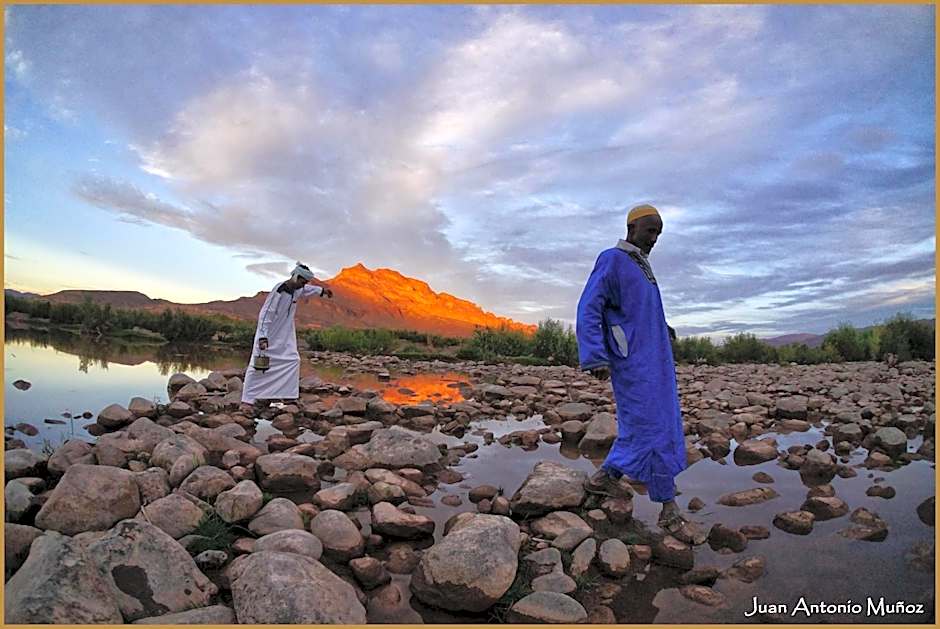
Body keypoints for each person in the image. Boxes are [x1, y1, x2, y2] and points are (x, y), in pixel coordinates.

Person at [576, 204, 699, 542]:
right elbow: (589, 306)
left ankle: (605, 477)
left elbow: (639, 312)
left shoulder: (642, 266)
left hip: (655, 359)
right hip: (632, 361)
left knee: (651, 422)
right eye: (650, 231)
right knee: (653, 425)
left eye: (659, 233)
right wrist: (595, 356)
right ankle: (668, 506)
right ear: (631, 228)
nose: (655, 238)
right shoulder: (612, 259)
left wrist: (664, 327)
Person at [241, 262, 333, 409]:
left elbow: (309, 290)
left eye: (305, 282)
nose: (304, 285)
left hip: (284, 334)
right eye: (302, 281)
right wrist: (263, 337)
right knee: (258, 365)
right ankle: (247, 400)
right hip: (269, 333)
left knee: (292, 360)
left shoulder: (298, 289)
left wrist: (322, 291)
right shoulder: (280, 289)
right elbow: (265, 313)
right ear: (295, 277)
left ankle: (288, 396)